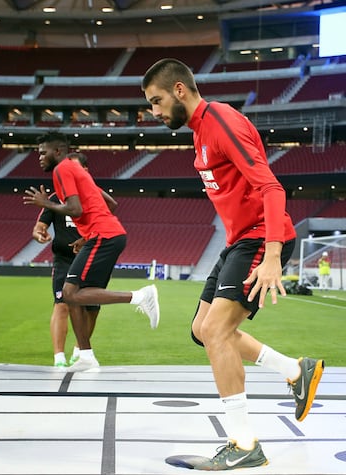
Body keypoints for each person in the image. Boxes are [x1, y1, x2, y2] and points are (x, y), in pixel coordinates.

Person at [142, 59, 324, 470]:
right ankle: (296, 370)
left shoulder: (221, 121)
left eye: (157, 101)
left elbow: (271, 187)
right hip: (238, 240)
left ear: (180, 91)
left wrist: (273, 254)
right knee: (201, 331)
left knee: (218, 332)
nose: (154, 111)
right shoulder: (198, 131)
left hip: (261, 237)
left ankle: (244, 444)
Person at [24, 132, 160, 372]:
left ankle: (140, 296)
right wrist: (84, 237)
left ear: (58, 152)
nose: (40, 157)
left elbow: (74, 209)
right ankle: (85, 355)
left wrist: (45, 203)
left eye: (43, 152)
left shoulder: (62, 170)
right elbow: (105, 205)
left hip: (104, 236)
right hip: (103, 235)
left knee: (70, 293)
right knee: (74, 295)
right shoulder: (74, 171)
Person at [32, 152, 117, 368]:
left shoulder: (95, 195)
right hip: (65, 260)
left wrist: (87, 237)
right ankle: (59, 358)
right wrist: (39, 233)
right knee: (62, 304)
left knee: (92, 309)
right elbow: (40, 225)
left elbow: (111, 209)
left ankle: (80, 352)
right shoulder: (55, 197)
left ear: (85, 171)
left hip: (91, 258)